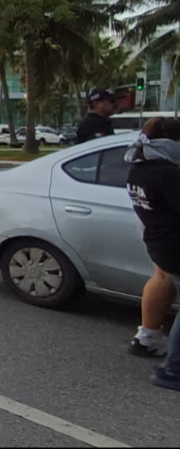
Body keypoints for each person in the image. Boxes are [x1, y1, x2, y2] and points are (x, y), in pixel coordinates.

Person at [126, 117, 180, 391]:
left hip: (159, 242)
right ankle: (173, 370)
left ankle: (152, 340)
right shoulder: (167, 174)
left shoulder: (138, 169)